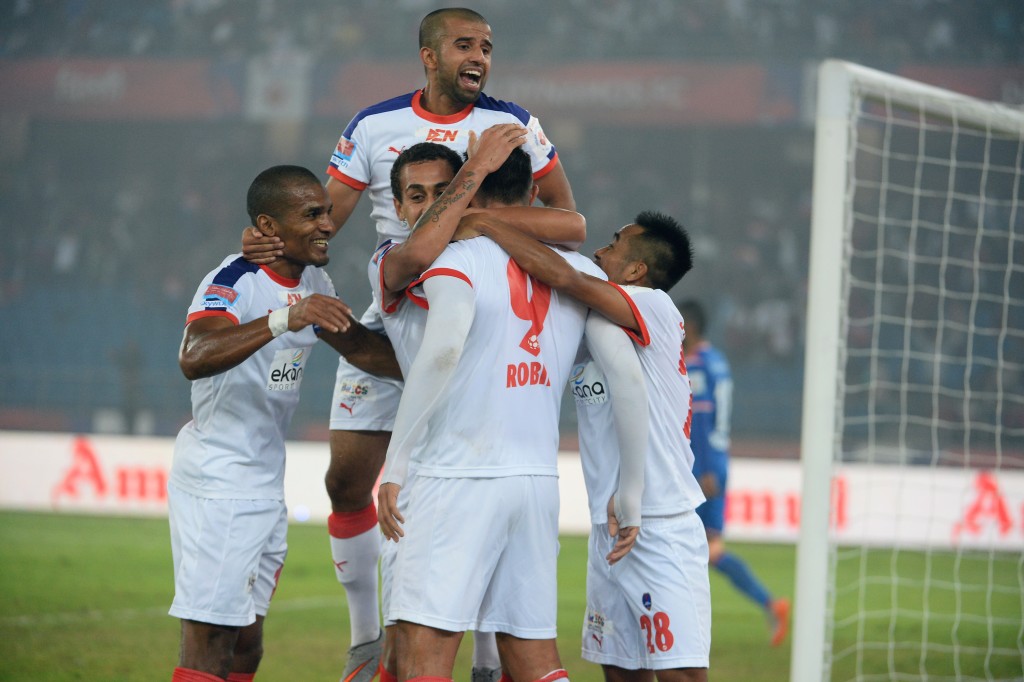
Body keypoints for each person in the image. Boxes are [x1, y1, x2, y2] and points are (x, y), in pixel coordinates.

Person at [241, 9, 578, 680]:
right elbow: (326, 221)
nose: (478, 55)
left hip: (478, 303)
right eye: (464, 45)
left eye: (486, 46)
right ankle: (366, 641)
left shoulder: (514, 126)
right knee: (344, 481)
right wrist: (271, 242)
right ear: (429, 55)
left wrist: (471, 214)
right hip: (396, 300)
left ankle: (481, 654)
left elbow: (565, 216)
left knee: (469, 479)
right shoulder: (374, 126)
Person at [376, 147, 645, 682]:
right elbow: (626, 374)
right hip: (536, 482)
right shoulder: (580, 269)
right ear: (530, 199)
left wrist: (397, 461)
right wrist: (630, 490)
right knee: (532, 655)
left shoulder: (455, 260)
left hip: (458, 473)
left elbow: (442, 350)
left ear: (468, 195)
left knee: (424, 649)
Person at [167, 165, 401, 682]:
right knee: (209, 644)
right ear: (269, 227)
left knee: (247, 646)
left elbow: (360, 348)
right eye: (312, 214)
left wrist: (438, 365)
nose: (327, 224)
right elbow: (194, 353)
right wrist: (283, 320)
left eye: (328, 212)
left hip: (263, 486)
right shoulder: (234, 280)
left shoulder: (315, 279)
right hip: (220, 485)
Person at [467, 212, 713, 680]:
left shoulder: (653, 305)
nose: (599, 251)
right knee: (620, 670)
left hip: (659, 519)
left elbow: (562, 274)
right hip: (609, 524)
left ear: (637, 270)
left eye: (614, 243)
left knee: (681, 674)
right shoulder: (597, 322)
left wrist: (486, 223)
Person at [679, 299, 791, 648]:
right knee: (701, 548)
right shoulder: (717, 362)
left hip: (705, 465)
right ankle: (769, 604)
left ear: (690, 327)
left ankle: (769, 603)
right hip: (714, 460)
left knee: (703, 549)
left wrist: (707, 467)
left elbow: (702, 421)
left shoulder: (697, 365)